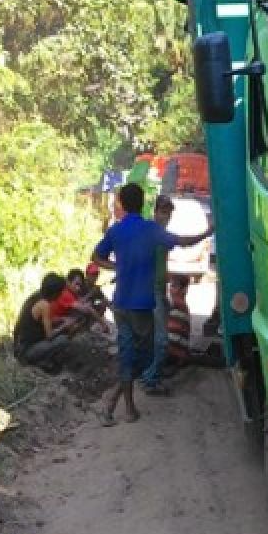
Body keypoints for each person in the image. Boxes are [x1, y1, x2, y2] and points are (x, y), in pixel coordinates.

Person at [92, 183, 213, 426]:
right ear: (143, 203)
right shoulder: (151, 230)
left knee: (127, 353)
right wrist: (208, 232)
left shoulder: (116, 230)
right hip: (141, 304)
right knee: (144, 356)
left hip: (120, 303)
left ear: (122, 204)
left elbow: (96, 257)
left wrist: (118, 267)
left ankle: (123, 408)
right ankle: (115, 403)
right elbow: (183, 241)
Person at [139, 195, 175, 396]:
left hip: (160, 290)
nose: (166, 216)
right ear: (156, 212)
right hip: (151, 292)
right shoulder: (150, 234)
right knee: (161, 340)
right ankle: (150, 379)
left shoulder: (163, 235)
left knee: (155, 337)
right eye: (163, 212)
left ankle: (152, 373)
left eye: (168, 213)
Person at [13, 273, 80, 373]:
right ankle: (41, 361)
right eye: (61, 292)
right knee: (63, 340)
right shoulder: (45, 305)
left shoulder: (36, 296)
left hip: (20, 344)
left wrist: (61, 319)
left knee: (61, 331)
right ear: (55, 293)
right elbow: (49, 335)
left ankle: (44, 359)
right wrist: (65, 326)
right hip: (25, 351)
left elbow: (45, 320)